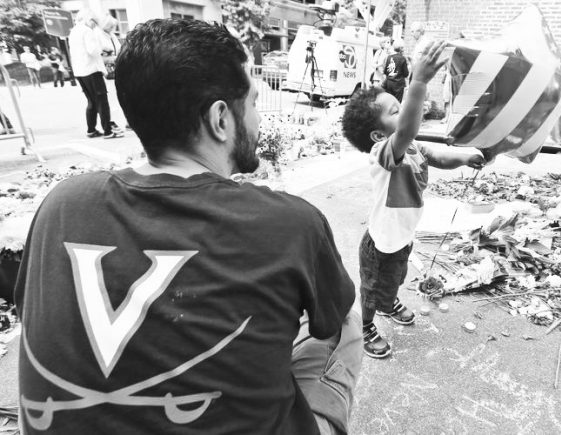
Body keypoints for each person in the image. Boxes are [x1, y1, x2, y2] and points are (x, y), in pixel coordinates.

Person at [15, 19, 361, 434]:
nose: (255, 115)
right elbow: (328, 322)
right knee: (342, 319)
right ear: (220, 118)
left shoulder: (62, 203)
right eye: (251, 101)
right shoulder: (292, 222)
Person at [341, 40, 486, 359]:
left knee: (396, 277)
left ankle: (388, 301)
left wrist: (463, 158)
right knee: (370, 289)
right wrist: (418, 83)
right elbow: (406, 130)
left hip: (404, 237)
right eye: (396, 110)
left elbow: (436, 154)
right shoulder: (383, 153)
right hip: (378, 245)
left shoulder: (412, 146)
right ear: (379, 136)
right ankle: (365, 325)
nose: (404, 112)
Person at [68, 8, 123, 139]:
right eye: (94, 21)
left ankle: (91, 129)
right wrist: (103, 50)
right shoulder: (87, 31)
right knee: (102, 101)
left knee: (91, 101)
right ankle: (108, 131)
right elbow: (93, 51)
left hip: (80, 71)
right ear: (89, 19)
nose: (95, 24)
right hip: (92, 70)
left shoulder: (74, 31)